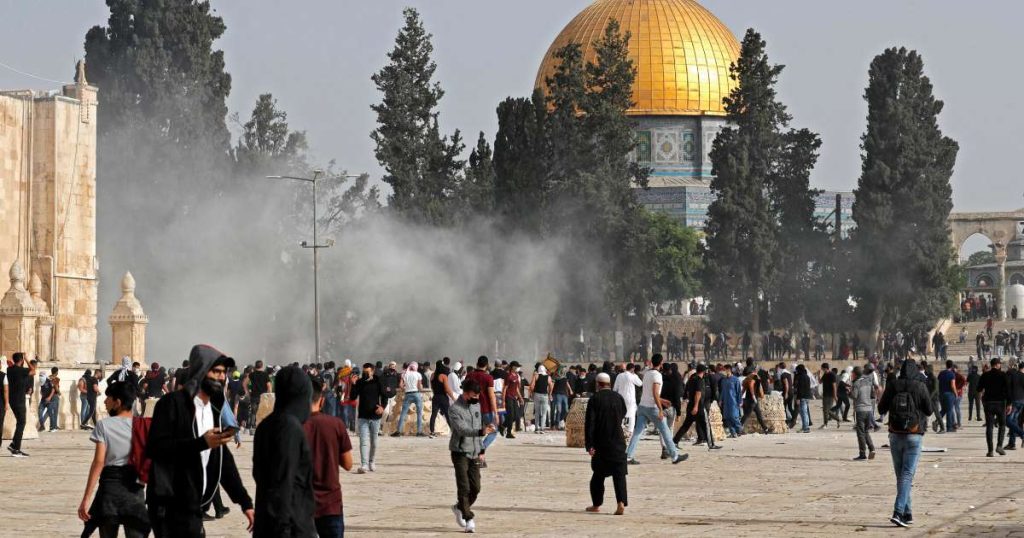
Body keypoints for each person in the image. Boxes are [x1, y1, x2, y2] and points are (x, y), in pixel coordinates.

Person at [146, 345, 254, 536]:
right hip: (169, 505)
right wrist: (201, 443)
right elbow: (156, 448)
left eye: (224, 373)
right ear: (202, 371)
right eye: (217, 372)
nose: (222, 378)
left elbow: (222, 459)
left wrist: (245, 502)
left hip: (195, 506)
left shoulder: (212, 409)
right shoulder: (172, 403)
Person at [77, 380, 150, 537]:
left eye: (108, 397)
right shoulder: (143, 425)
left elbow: (99, 462)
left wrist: (86, 498)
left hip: (110, 490)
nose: (105, 401)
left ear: (118, 402)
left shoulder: (104, 425)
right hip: (135, 491)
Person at [253, 365, 314, 537]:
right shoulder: (289, 428)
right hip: (288, 527)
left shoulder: (265, 425)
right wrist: (284, 529)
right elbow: (283, 483)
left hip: (266, 523)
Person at [878, 359, 933, 528]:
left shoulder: (893, 385)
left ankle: (907, 513)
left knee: (901, 476)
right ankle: (898, 512)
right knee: (907, 475)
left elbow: (881, 409)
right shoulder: (920, 386)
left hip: (895, 434)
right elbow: (929, 410)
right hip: (914, 434)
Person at [304, 376, 354, 537]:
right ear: (322, 400)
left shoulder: (292, 426)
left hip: (300, 504)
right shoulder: (336, 424)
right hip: (330, 504)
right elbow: (348, 464)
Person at [448, 378, 494, 534]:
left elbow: (478, 427)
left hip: (475, 453)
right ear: (466, 393)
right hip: (460, 452)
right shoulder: (454, 409)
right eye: (474, 395)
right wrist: (481, 432)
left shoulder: (477, 406)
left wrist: (482, 450)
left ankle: (459, 507)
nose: (477, 398)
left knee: (476, 487)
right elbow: (462, 429)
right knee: (464, 487)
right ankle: (469, 519)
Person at [624, 354, 688, 465]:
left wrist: (663, 401)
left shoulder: (647, 373)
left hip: (642, 407)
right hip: (652, 408)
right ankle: (674, 456)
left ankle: (628, 456)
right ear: (661, 363)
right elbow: (654, 393)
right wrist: (660, 409)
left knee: (637, 432)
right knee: (666, 431)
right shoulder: (657, 375)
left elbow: (650, 393)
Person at [584, 372, 628, 515]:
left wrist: (589, 445)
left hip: (601, 442)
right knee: (619, 475)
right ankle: (620, 502)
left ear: (597, 384)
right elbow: (623, 413)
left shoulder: (595, 399)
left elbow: (590, 423)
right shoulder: (618, 397)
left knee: (598, 476)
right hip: (618, 441)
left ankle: (596, 504)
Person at [350, 362, 387, 472]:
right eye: (363, 372)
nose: (365, 373)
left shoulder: (378, 381)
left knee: (374, 442)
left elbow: (384, 395)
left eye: (367, 372)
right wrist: (353, 384)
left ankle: (371, 461)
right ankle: (364, 464)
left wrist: (382, 407)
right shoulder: (360, 382)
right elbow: (353, 397)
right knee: (363, 441)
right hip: (363, 416)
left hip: (375, 416)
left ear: (372, 371)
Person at [464, 356, 498, 466]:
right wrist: (496, 412)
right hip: (485, 409)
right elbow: (491, 396)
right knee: (493, 431)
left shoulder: (469, 376)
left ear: (477, 363)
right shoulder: (488, 378)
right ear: (487, 365)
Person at [5, 352, 36, 457]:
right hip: (19, 400)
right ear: (21, 360)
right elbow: (33, 371)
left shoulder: (9, 370)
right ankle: (16, 448)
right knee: (22, 423)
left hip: (12, 400)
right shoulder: (22, 371)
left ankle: (14, 444)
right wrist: (27, 358)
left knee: (20, 422)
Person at [978, 357, 1011, 457]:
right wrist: (1009, 404)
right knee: (1002, 425)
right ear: (997, 365)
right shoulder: (1003, 375)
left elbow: (979, 389)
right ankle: (999, 446)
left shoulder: (985, 375)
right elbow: (1008, 391)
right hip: (1001, 403)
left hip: (988, 403)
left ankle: (990, 450)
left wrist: (982, 399)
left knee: (989, 426)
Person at [851, 366, 879, 460]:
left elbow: (854, 396)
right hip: (869, 410)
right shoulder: (868, 382)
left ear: (855, 374)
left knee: (860, 433)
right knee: (866, 431)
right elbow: (872, 394)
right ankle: (872, 449)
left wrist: (848, 392)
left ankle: (862, 454)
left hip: (860, 410)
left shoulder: (856, 383)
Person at [393, 362, 426, 437]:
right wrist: (421, 390)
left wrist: (405, 389)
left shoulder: (405, 374)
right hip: (416, 394)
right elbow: (419, 387)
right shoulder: (418, 374)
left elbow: (400, 385)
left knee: (403, 413)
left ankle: (398, 431)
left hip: (407, 394)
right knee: (419, 413)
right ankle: (419, 432)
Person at [612, 363, 642, 434]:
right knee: (632, 415)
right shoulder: (632, 376)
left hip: (620, 398)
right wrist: (634, 375)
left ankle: (620, 429)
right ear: (632, 369)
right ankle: (630, 431)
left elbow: (615, 388)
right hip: (630, 399)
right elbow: (640, 383)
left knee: (621, 414)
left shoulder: (619, 375)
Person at [245, 360, 272, 434]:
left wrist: (247, 392)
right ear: (262, 366)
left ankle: (252, 427)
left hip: (254, 396)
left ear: (255, 365)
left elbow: (244, 383)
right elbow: (269, 386)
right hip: (263, 397)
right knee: (263, 412)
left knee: (253, 412)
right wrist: (269, 395)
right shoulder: (265, 374)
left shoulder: (252, 374)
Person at [430, 359, 453, 438]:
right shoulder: (443, 376)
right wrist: (453, 397)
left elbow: (432, 387)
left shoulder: (432, 375)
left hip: (435, 397)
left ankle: (432, 432)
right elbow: (447, 389)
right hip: (443, 397)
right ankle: (453, 431)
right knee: (447, 414)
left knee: (433, 414)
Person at [501, 362, 524, 439]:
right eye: (517, 366)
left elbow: (517, 388)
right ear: (513, 367)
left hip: (514, 397)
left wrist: (520, 398)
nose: (518, 368)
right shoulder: (509, 376)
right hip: (508, 397)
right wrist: (503, 400)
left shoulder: (517, 376)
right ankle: (508, 433)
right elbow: (505, 388)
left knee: (516, 416)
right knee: (511, 416)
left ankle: (503, 426)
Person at [1005, 361, 1024, 451]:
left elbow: (1009, 389)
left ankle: (1022, 434)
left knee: (1007, 420)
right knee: (1014, 421)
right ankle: (1011, 444)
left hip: (1015, 401)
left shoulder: (1014, 375)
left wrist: (1009, 403)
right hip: (1021, 401)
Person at [530, 365, 553, 433]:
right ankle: (542, 428)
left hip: (537, 395)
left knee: (537, 412)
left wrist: (531, 393)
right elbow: (551, 386)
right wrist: (550, 393)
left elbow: (532, 385)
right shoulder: (548, 377)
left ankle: (537, 428)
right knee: (544, 413)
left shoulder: (536, 376)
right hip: (545, 396)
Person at [819, 363, 841, 428]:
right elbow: (820, 382)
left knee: (827, 410)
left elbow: (834, 386)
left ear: (825, 368)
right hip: (825, 394)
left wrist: (835, 395)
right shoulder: (825, 374)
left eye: (822, 368)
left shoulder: (832, 375)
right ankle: (825, 423)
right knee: (825, 410)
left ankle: (836, 419)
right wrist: (818, 375)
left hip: (830, 395)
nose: (822, 369)